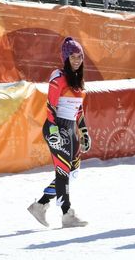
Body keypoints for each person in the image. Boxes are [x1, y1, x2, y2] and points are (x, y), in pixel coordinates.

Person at [27, 37, 90, 228]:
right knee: (63, 170)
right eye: (73, 56)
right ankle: (66, 214)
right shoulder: (58, 77)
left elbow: (78, 109)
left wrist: (84, 131)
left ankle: (40, 205)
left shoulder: (78, 80)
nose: (77, 60)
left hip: (71, 128)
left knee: (70, 171)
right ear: (65, 57)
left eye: (80, 56)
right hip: (57, 126)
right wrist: (55, 131)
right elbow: (50, 107)